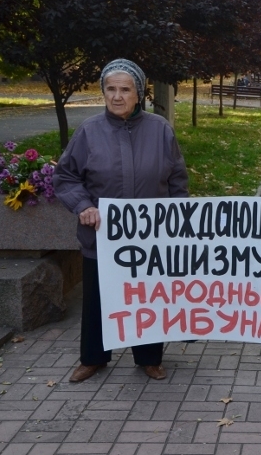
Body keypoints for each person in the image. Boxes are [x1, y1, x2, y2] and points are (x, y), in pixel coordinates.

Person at [54, 58, 189, 383]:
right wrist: (83, 205)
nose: (117, 96)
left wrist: (181, 221)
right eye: (110, 89)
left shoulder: (160, 130)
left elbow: (177, 181)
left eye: (125, 90)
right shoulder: (89, 132)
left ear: (139, 93)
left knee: (147, 297)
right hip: (102, 237)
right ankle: (93, 358)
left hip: (150, 239)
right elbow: (66, 176)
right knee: (99, 299)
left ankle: (149, 357)